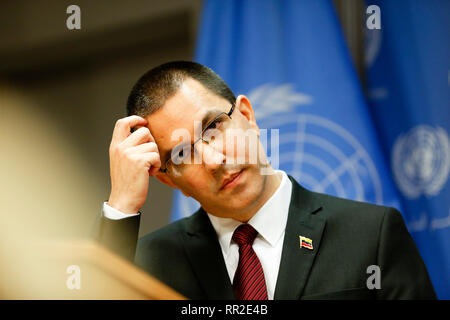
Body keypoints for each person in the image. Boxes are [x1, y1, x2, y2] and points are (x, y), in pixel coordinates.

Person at [96, 61, 436, 300]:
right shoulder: (149, 263)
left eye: (213, 127)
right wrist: (122, 208)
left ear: (246, 115)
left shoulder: (370, 234)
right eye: (182, 154)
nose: (214, 161)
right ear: (168, 180)